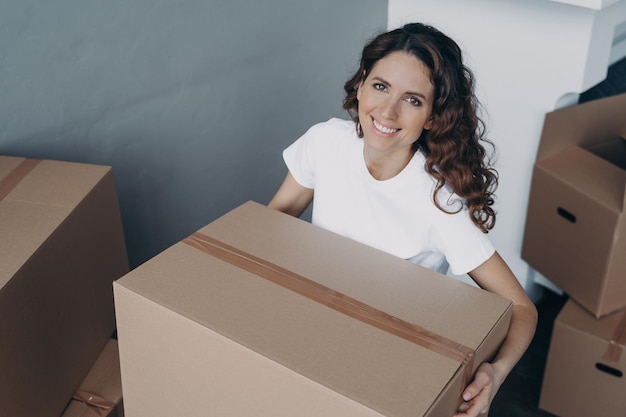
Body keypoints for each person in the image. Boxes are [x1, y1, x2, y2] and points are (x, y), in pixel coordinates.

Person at [268, 22, 537, 417]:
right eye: (380, 87)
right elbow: (269, 227)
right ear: (360, 85)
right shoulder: (325, 143)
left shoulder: (440, 203)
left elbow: (522, 309)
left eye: (413, 100)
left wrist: (494, 374)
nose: (388, 111)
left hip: (390, 362)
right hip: (313, 327)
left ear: (431, 116)